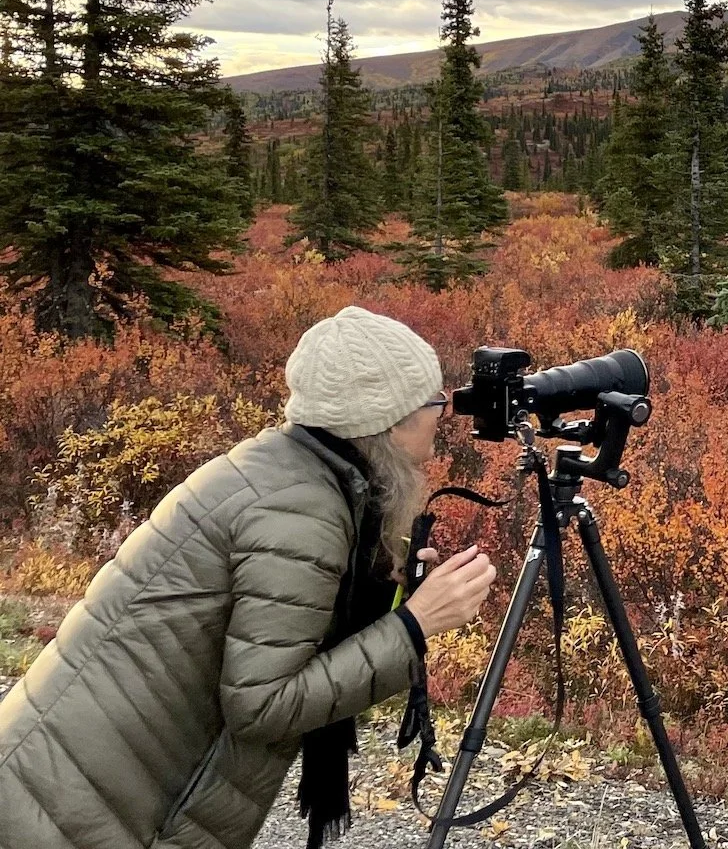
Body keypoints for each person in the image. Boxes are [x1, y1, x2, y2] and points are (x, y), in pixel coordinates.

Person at [0, 306, 498, 849]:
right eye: (433, 402)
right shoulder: (300, 517)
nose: (443, 416)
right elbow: (262, 706)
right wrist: (415, 626)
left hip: (68, 778)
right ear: (389, 420)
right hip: (74, 814)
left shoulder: (282, 472)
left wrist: (386, 594)